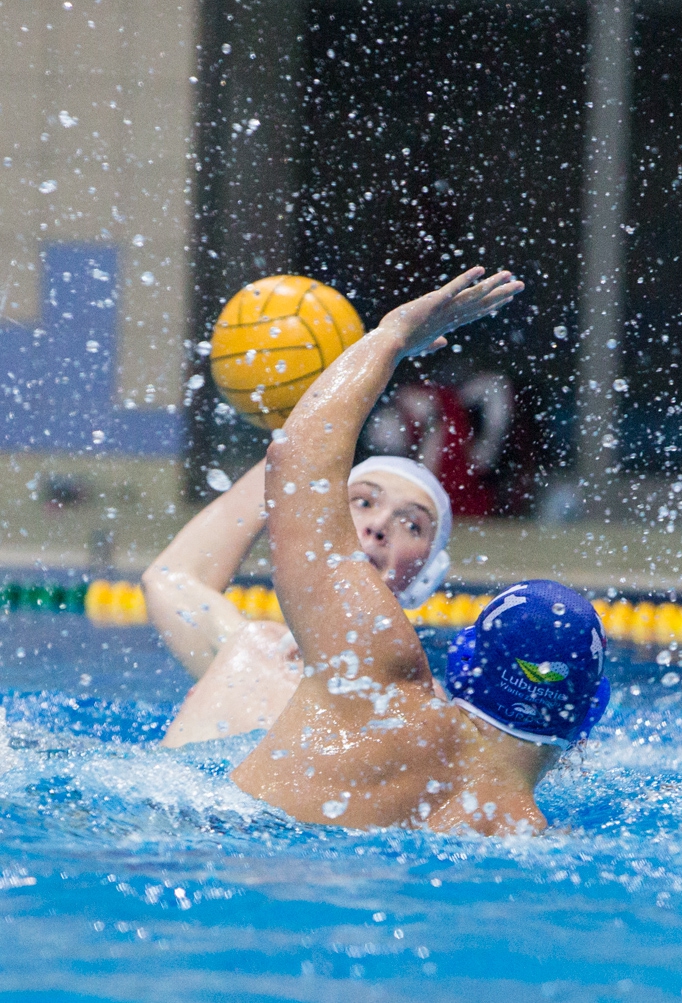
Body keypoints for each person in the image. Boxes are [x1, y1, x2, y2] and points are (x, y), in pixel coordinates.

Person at [227, 266, 609, 835]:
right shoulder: (536, 837)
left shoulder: (378, 684)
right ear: (585, 724)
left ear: (462, 664)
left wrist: (392, 336)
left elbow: (297, 461)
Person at [143, 448, 455, 748]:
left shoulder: (419, 705)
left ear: (425, 576)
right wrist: (290, 450)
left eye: (412, 525)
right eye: (362, 502)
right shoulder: (248, 653)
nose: (378, 526)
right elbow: (170, 578)